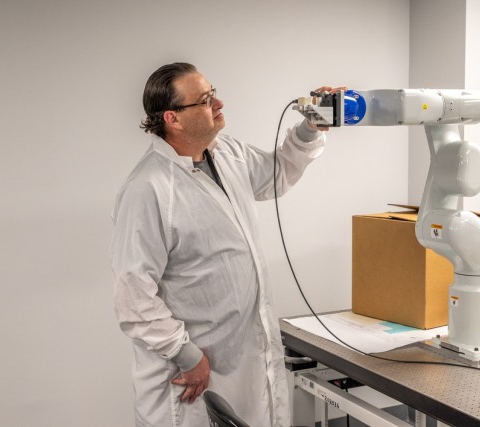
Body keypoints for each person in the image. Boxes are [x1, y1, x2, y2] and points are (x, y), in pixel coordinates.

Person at [110, 62, 339, 427]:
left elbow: (275, 176)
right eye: (205, 100)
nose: (219, 104)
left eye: (213, 93)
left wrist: (310, 128)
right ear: (174, 118)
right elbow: (133, 296)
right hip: (190, 376)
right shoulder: (148, 188)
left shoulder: (226, 152)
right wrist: (186, 355)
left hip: (241, 358)